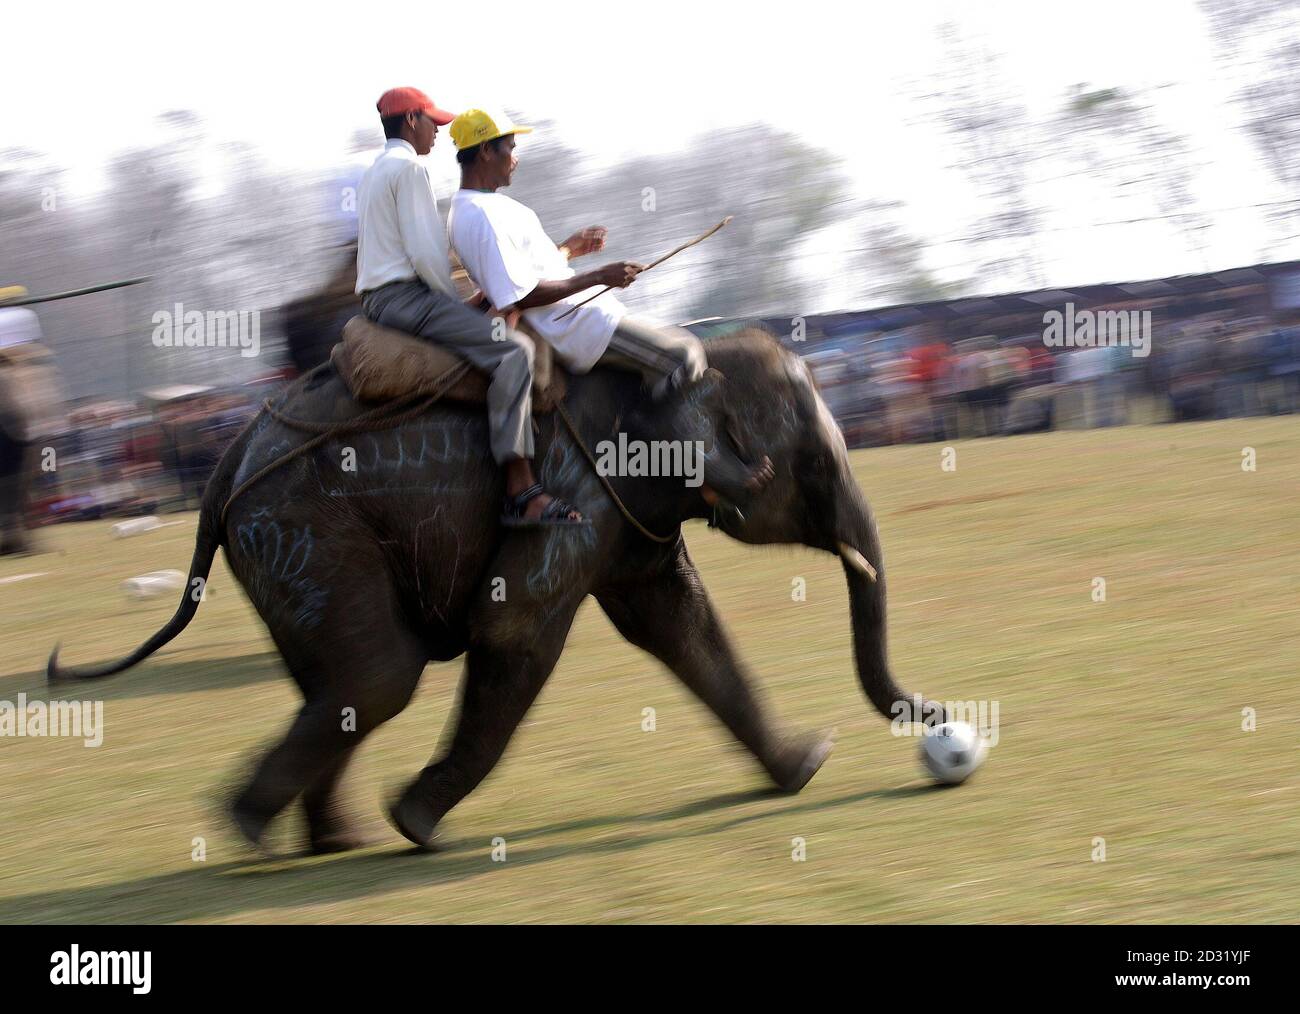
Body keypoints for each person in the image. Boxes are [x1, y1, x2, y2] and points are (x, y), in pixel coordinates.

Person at [444, 107, 772, 503]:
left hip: (586, 312)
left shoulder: (491, 207)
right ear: (484, 152)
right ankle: (702, 468)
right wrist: (599, 276)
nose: (516, 157)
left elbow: (528, 271)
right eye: (510, 148)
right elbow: (517, 295)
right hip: (577, 326)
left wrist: (571, 248)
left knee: (683, 344)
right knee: (683, 355)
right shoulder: (478, 216)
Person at [354, 88, 584, 526]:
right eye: (433, 124)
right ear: (410, 122)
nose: (439, 133)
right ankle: (523, 492)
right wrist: (450, 304)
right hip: (405, 297)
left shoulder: (377, 169)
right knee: (513, 353)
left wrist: (468, 306)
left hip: (383, 297)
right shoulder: (410, 169)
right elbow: (425, 254)